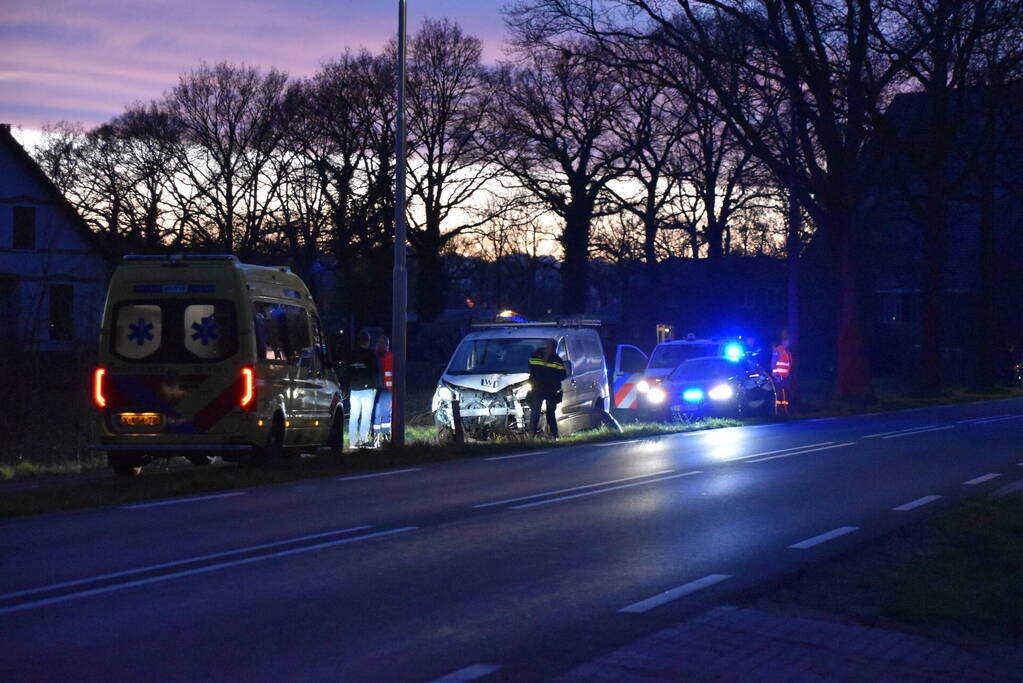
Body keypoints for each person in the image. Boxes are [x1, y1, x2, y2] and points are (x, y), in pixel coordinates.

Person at [348, 330, 380, 449]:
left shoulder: (351, 354)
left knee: (354, 415)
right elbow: (375, 371)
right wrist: (376, 387)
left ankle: (352, 441)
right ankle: (364, 440)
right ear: (368, 341)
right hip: (368, 389)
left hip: (354, 388)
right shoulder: (371, 354)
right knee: (366, 416)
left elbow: (348, 370)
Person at [527, 340, 566, 438]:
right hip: (543, 389)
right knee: (539, 412)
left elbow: (562, 375)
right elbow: (562, 375)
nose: (550, 348)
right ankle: (535, 435)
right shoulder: (555, 359)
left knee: (545, 413)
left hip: (547, 390)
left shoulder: (554, 359)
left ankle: (552, 435)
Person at [373, 335, 394, 444]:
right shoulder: (374, 357)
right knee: (379, 412)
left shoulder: (376, 356)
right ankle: (380, 435)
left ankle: (382, 435)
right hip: (382, 388)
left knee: (382, 411)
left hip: (385, 388)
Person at [771, 336, 792, 415]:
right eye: (786, 341)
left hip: (785, 377)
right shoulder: (778, 350)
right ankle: (778, 411)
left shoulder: (787, 352)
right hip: (779, 376)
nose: (788, 343)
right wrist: (776, 375)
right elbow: (773, 363)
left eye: (788, 342)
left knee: (786, 394)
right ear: (783, 342)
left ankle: (785, 410)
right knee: (779, 394)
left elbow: (789, 364)